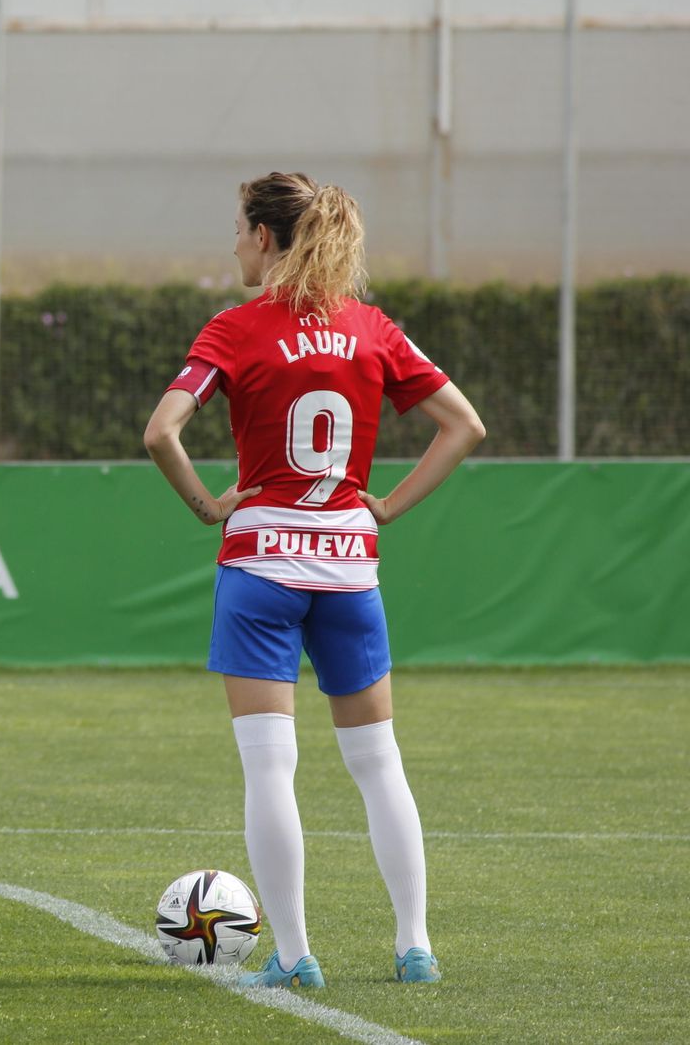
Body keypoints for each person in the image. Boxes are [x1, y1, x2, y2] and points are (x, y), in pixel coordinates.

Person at [143, 173, 484, 987]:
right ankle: (415, 947)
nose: (233, 242)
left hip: (260, 565)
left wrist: (205, 505)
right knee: (378, 762)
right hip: (348, 568)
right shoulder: (372, 328)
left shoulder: (234, 328)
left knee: (271, 768)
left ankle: (295, 958)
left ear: (266, 237)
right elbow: (465, 425)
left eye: (238, 228)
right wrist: (389, 507)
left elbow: (161, 431)